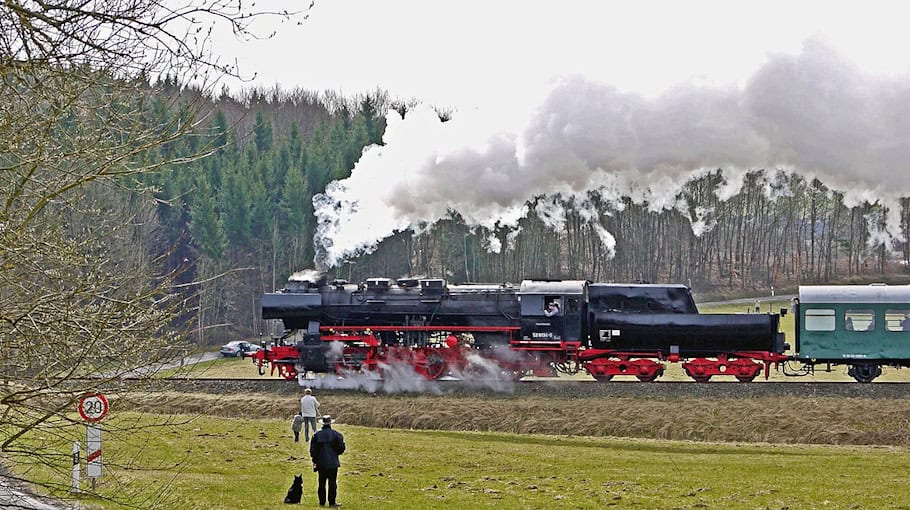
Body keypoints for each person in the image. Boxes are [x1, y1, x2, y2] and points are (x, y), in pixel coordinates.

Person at [310, 415, 346, 508]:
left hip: (321, 463)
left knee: (321, 483)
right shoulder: (337, 435)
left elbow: (313, 451)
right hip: (333, 463)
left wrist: (315, 461)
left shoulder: (316, 435)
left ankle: (322, 502)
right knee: (332, 483)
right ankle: (332, 502)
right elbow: (341, 449)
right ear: (330, 423)